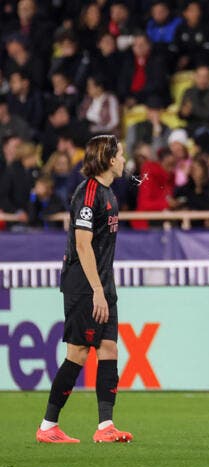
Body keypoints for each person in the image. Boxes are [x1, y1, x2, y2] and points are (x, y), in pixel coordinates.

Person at [36, 135, 132, 444]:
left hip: (102, 283)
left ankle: (106, 426)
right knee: (77, 352)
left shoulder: (107, 193)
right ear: (109, 159)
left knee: (108, 348)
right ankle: (48, 425)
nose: (125, 160)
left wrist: (104, 288)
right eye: (121, 154)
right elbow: (82, 243)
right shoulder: (89, 192)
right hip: (85, 285)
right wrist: (97, 291)